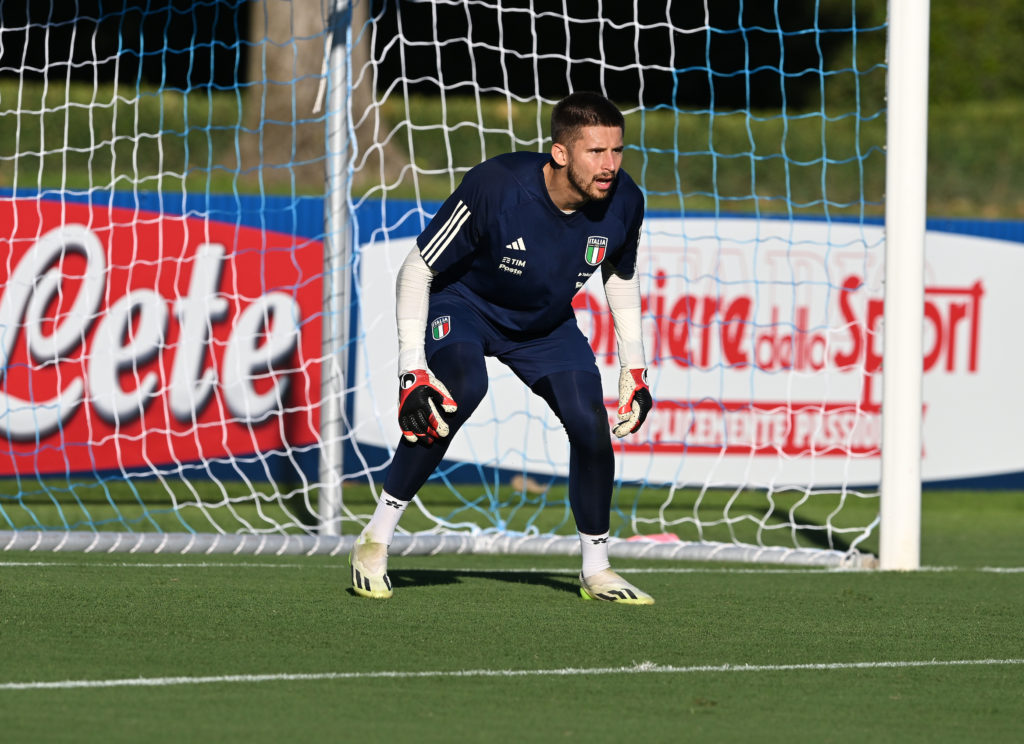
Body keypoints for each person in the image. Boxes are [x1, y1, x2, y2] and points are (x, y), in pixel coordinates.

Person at [349, 92, 654, 604]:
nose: (609, 166)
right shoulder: (497, 187)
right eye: (595, 152)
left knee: (589, 423)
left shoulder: (626, 201)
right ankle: (374, 540)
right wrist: (411, 371)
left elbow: (619, 281)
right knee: (463, 388)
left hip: (544, 325)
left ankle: (596, 569)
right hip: (465, 304)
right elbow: (418, 269)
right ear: (560, 153)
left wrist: (636, 370)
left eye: (617, 151)